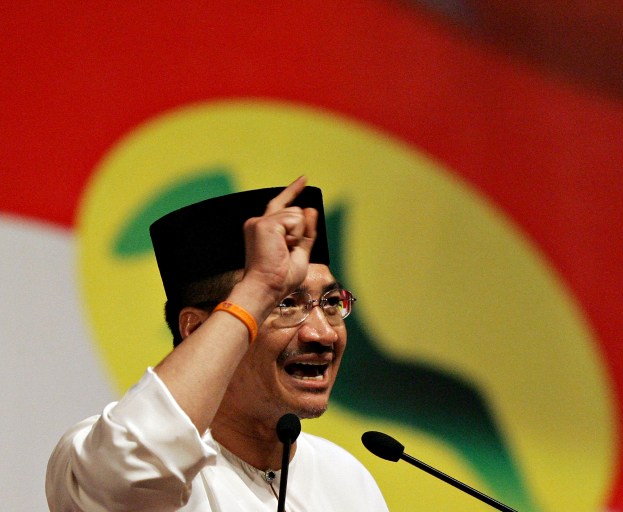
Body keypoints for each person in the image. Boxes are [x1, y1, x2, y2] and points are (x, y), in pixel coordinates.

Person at [45, 177, 389, 511]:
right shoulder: (99, 453)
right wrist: (260, 287)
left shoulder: (346, 480)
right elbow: (132, 471)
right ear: (195, 329)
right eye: (286, 304)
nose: (323, 334)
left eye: (330, 302)